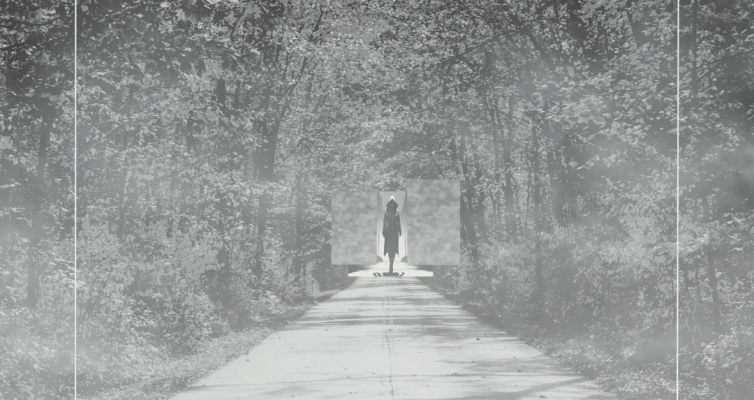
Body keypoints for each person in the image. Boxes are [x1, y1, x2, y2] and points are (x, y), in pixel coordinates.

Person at [382, 195, 402, 273]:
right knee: (388, 248)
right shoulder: (386, 210)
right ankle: (390, 264)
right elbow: (384, 221)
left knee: (393, 249)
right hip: (388, 232)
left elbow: (399, 221)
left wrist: (400, 230)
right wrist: (383, 230)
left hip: (395, 232)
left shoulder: (397, 211)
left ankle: (391, 265)